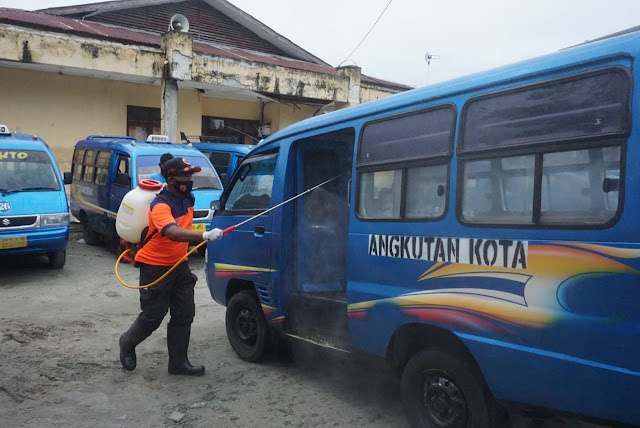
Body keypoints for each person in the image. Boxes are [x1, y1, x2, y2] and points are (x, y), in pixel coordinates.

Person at [119, 157, 223, 376]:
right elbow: (172, 232)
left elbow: (184, 227)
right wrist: (203, 235)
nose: (189, 179)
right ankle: (127, 342)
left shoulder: (189, 198)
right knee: (153, 316)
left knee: (184, 314)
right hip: (154, 267)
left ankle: (178, 363)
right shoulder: (160, 204)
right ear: (170, 178)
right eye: (183, 175)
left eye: (190, 175)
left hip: (179, 265)